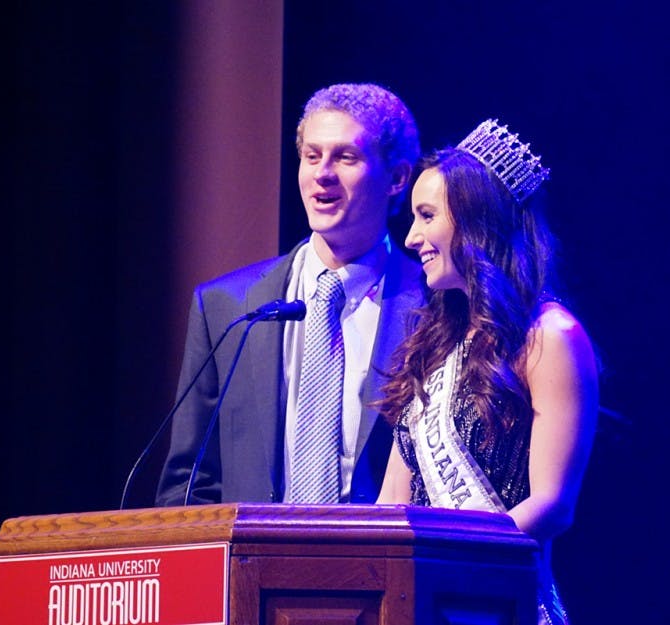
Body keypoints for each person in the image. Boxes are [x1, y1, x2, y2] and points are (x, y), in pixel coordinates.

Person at [155, 83, 424, 506]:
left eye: (346, 157)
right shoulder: (227, 307)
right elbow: (189, 482)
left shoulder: (433, 305)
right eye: (311, 156)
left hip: (383, 567)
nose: (323, 173)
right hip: (252, 567)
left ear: (396, 177)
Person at [375, 119, 599, 624]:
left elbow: (552, 504)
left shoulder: (549, 337)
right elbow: (393, 502)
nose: (411, 238)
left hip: (499, 603)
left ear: (475, 221)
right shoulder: (432, 348)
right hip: (422, 604)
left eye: (426, 216)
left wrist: (449, 563)